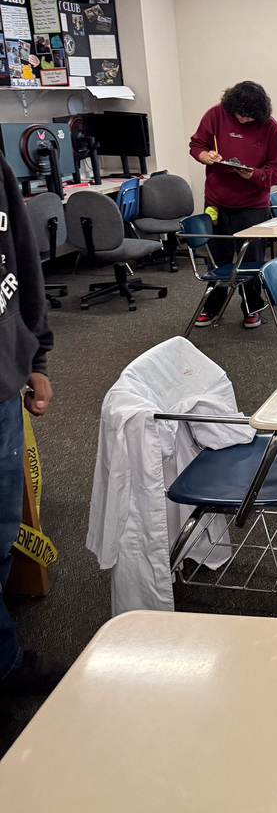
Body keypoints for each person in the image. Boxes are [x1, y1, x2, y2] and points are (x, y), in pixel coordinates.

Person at [0, 151, 64, 695]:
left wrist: (34, 357)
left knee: (1, 537)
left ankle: (3, 662)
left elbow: (21, 262)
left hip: (2, 387)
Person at [189, 81, 277, 328]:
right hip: (217, 201)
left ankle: (252, 308)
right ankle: (212, 306)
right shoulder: (215, 115)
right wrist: (207, 156)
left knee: (251, 259)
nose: (243, 119)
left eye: (249, 116)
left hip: (253, 204)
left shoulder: (270, 127)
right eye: (239, 115)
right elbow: (197, 145)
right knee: (218, 258)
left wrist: (254, 175)